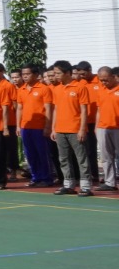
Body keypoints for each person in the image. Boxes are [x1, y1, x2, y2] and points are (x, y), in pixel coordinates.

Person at [45, 61, 92, 196]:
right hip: (60, 129)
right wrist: (54, 128)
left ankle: (86, 186)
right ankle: (68, 184)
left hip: (75, 129)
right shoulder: (57, 89)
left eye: (58, 73)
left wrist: (82, 129)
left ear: (67, 73)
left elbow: (84, 110)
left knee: (81, 158)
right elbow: (56, 109)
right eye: (54, 73)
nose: (55, 76)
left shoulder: (80, 87)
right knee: (63, 158)